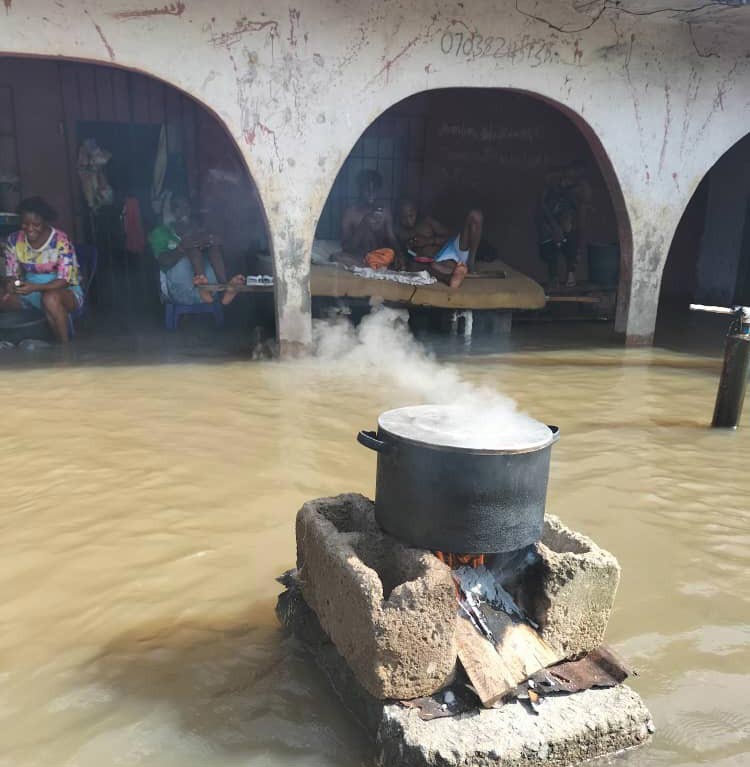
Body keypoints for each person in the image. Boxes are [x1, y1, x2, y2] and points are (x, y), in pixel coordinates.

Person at [0, 196, 83, 343]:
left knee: (50, 298)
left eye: (36, 224)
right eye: (25, 224)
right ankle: (13, 342)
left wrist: (36, 287)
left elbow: (65, 280)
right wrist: (12, 284)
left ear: (45, 221)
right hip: (30, 292)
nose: (30, 228)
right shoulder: (14, 240)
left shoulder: (61, 240)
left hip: (65, 293)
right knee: (3, 297)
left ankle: (65, 350)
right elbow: (12, 275)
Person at [148, 196, 244, 306]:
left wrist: (210, 240)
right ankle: (204, 288)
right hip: (180, 292)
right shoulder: (161, 232)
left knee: (212, 247)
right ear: (172, 211)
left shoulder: (195, 228)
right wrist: (181, 248)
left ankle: (224, 289)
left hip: (211, 292)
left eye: (187, 207)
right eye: (180, 207)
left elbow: (217, 243)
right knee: (191, 250)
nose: (185, 211)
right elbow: (163, 261)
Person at [396, 200, 483, 289]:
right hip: (439, 262)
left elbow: (451, 235)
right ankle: (458, 273)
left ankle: (470, 263)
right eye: (403, 217)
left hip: (453, 248)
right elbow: (403, 256)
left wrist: (429, 241)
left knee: (475, 215)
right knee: (423, 266)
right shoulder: (400, 232)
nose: (408, 220)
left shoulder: (427, 222)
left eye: (411, 215)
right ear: (398, 217)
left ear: (416, 211)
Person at [538, 163, 591, 288]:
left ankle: (570, 275)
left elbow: (577, 211)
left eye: (558, 178)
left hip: (566, 230)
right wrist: (554, 229)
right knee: (549, 249)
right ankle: (554, 277)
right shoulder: (546, 195)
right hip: (549, 231)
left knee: (571, 242)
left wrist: (564, 229)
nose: (556, 181)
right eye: (552, 179)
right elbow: (543, 212)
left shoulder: (569, 193)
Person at [336, 169, 402, 270]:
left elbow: (392, 239)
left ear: (379, 190)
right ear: (360, 189)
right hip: (361, 257)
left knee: (392, 255)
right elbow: (347, 247)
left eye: (374, 190)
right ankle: (370, 265)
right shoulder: (350, 213)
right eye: (367, 189)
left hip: (379, 256)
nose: (371, 194)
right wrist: (364, 224)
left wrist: (400, 255)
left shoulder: (385, 211)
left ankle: (375, 264)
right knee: (336, 257)